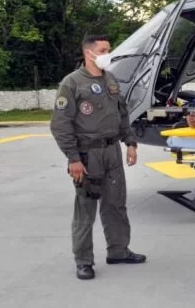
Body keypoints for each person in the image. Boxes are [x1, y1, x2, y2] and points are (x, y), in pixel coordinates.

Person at [49, 35, 146, 281]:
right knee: (85, 209)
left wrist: (130, 143)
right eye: (104, 50)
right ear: (89, 53)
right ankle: (83, 261)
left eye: (108, 49)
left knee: (116, 204)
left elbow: (122, 114)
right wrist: (73, 159)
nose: (108, 53)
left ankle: (118, 251)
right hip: (87, 154)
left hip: (112, 151)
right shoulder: (71, 83)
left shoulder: (110, 79)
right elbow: (60, 125)